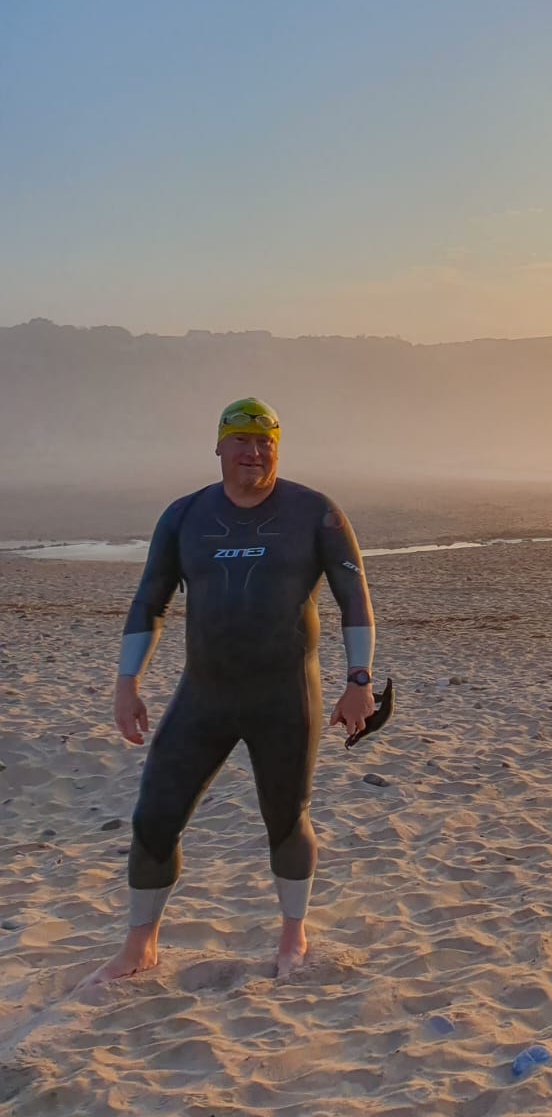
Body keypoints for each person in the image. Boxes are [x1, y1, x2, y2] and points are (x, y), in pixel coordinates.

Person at [81, 398, 377, 986]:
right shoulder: (185, 516)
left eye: (266, 440)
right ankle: (141, 944)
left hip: (285, 694)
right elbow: (150, 600)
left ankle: (293, 934)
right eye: (241, 439)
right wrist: (127, 683)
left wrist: (359, 682)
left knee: (286, 820)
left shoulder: (315, 513)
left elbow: (355, 598)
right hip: (205, 695)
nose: (254, 451)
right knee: (155, 817)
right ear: (218, 447)